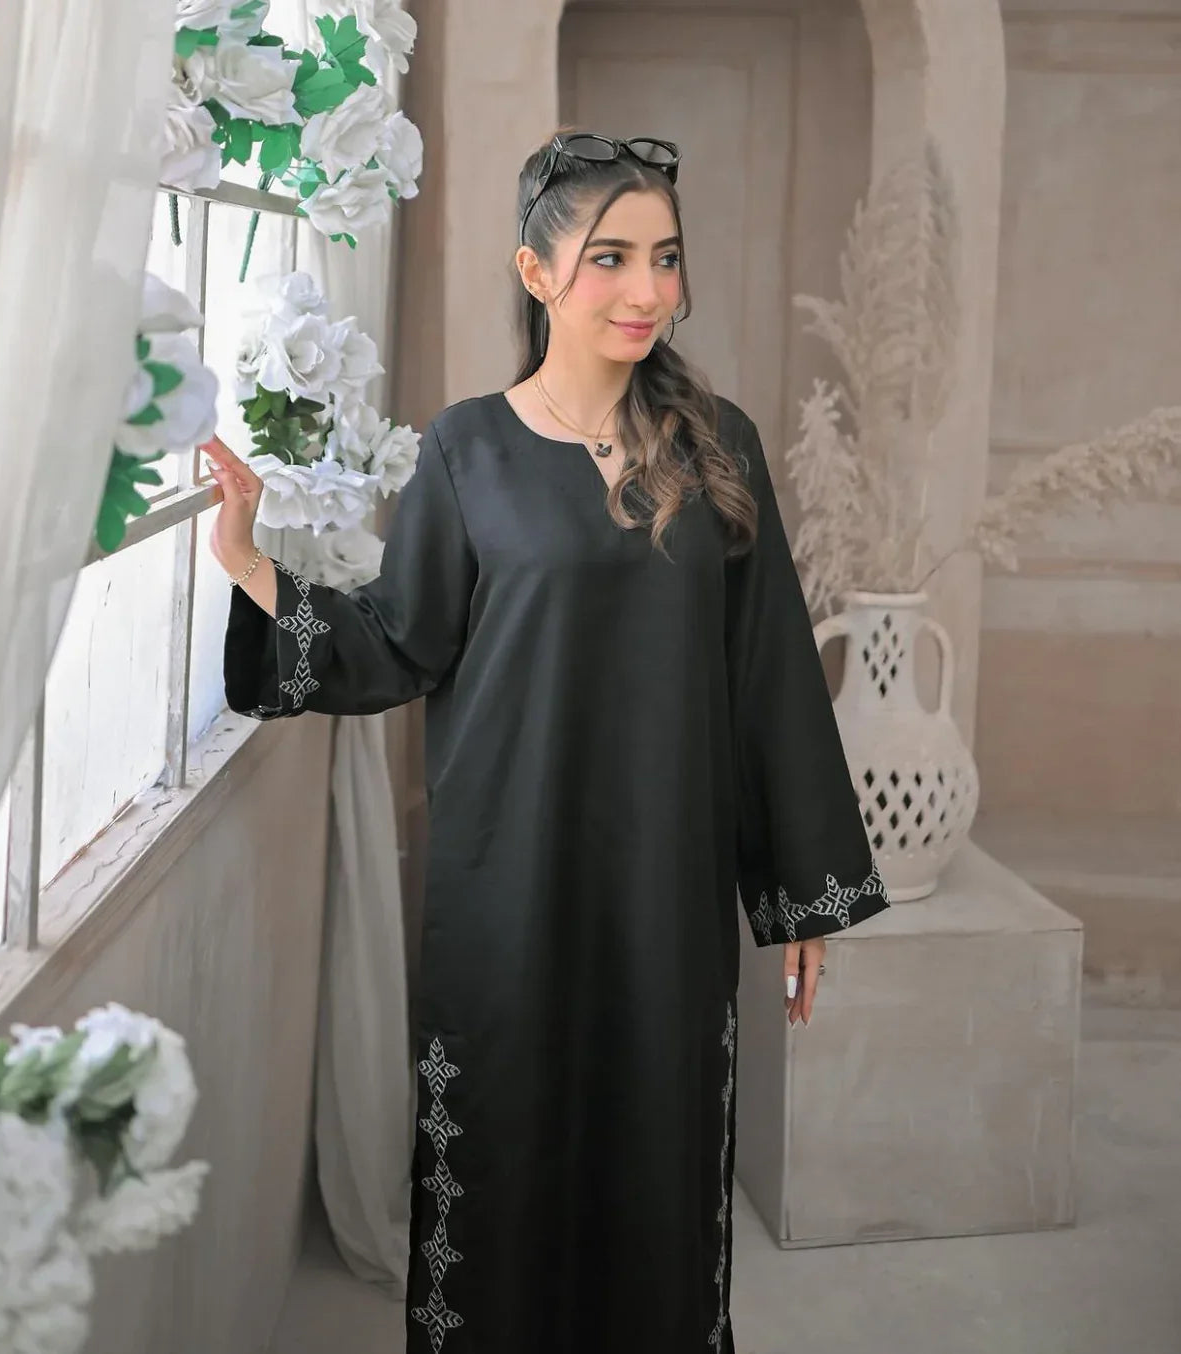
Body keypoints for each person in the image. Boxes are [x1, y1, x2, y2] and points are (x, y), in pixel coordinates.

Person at [205, 128, 889, 1354]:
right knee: (506, 1165)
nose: (647, 291)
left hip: (665, 895)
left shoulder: (715, 443)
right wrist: (258, 566)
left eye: (666, 258)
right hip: (505, 886)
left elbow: (767, 671)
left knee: (657, 1167)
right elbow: (404, 640)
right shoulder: (469, 448)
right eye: (612, 257)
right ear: (537, 274)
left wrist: (802, 890)